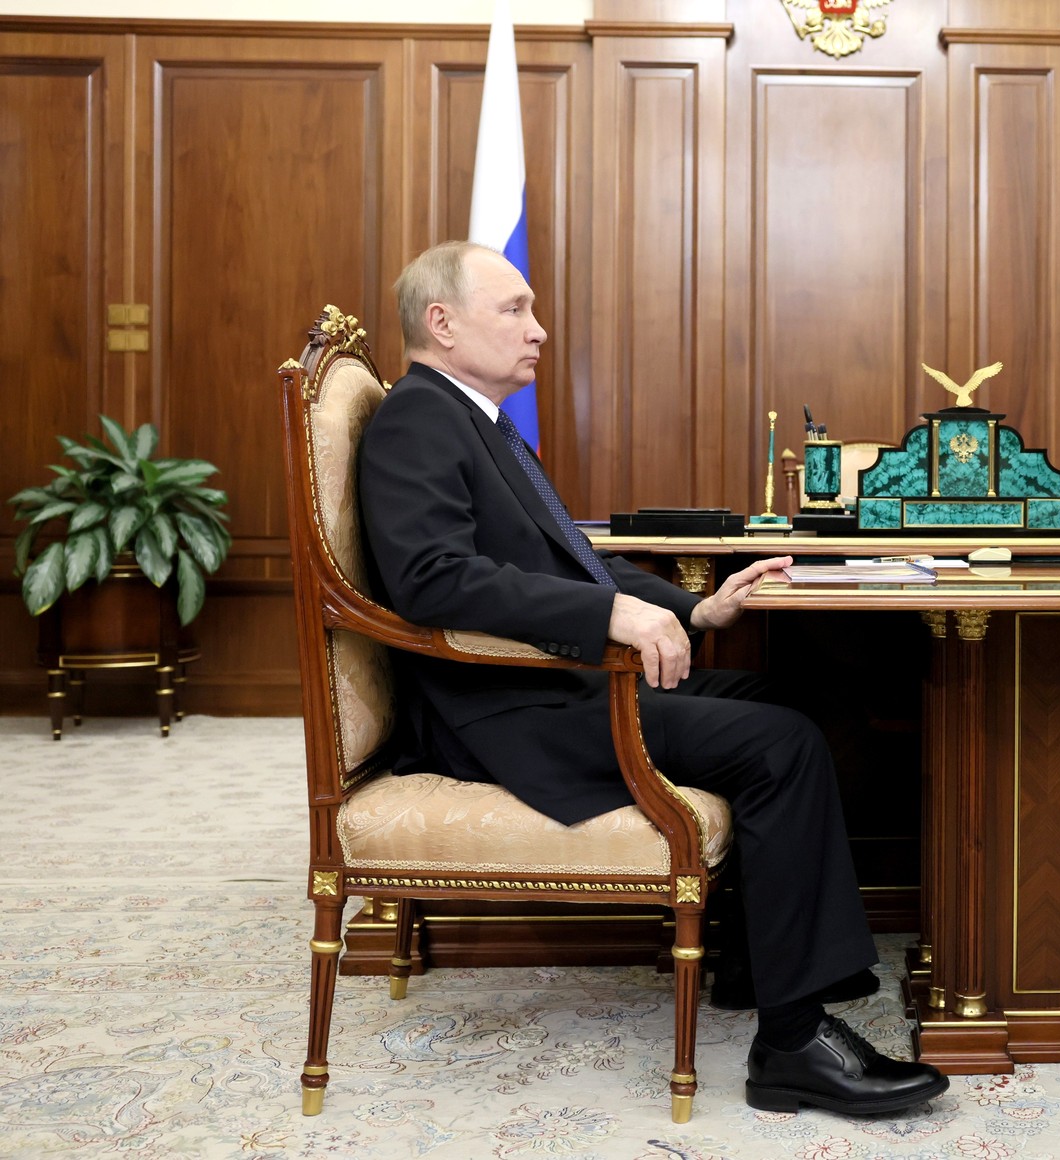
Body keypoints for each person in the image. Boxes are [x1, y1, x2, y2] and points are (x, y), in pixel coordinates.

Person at [357, 240, 948, 1116]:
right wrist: (610, 616)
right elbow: (433, 579)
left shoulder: (477, 421)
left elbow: (572, 559)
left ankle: (758, 963)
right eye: (514, 309)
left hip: (557, 685)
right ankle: (792, 1045)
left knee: (807, 707)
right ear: (441, 324)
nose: (539, 329)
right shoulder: (419, 418)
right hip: (506, 707)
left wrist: (694, 610)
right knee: (782, 744)